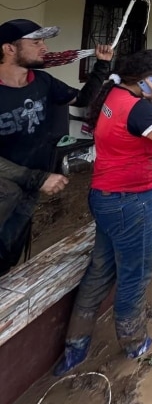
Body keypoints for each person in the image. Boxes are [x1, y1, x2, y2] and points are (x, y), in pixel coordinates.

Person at [52, 49, 152, 375]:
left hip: (106, 196)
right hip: (132, 202)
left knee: (101, 268)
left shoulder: (114, 94)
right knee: (136, 273)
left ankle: (76, 345)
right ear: (149, 81)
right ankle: (133, 341)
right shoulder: (139, 111)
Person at [0, 19, 113, 276]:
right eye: (36, 41)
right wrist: (39, 177)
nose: (44, 47)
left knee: (10, 250)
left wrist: (102, 66)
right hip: (7, 188)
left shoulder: (43, 82)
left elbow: (83, 100)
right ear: (9, 49)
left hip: (31, 187)